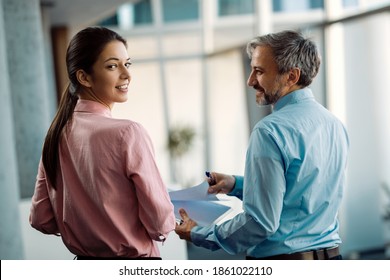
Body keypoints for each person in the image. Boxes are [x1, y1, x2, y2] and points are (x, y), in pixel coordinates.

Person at [175, 30, 349, 260]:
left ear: (292, 76)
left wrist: (199, 233)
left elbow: (261, 222)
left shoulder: (270, 130)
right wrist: (236, 184)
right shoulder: (335, 125)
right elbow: (300, 192)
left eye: (259, 71)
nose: (250, 81)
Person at [29, 26, 176, 260]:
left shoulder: (56, 135)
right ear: (84, 77)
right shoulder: (128, 133)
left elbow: (42, 220)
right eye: (112, 66)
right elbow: (160, 224)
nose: (126, 75)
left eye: (127, 64)